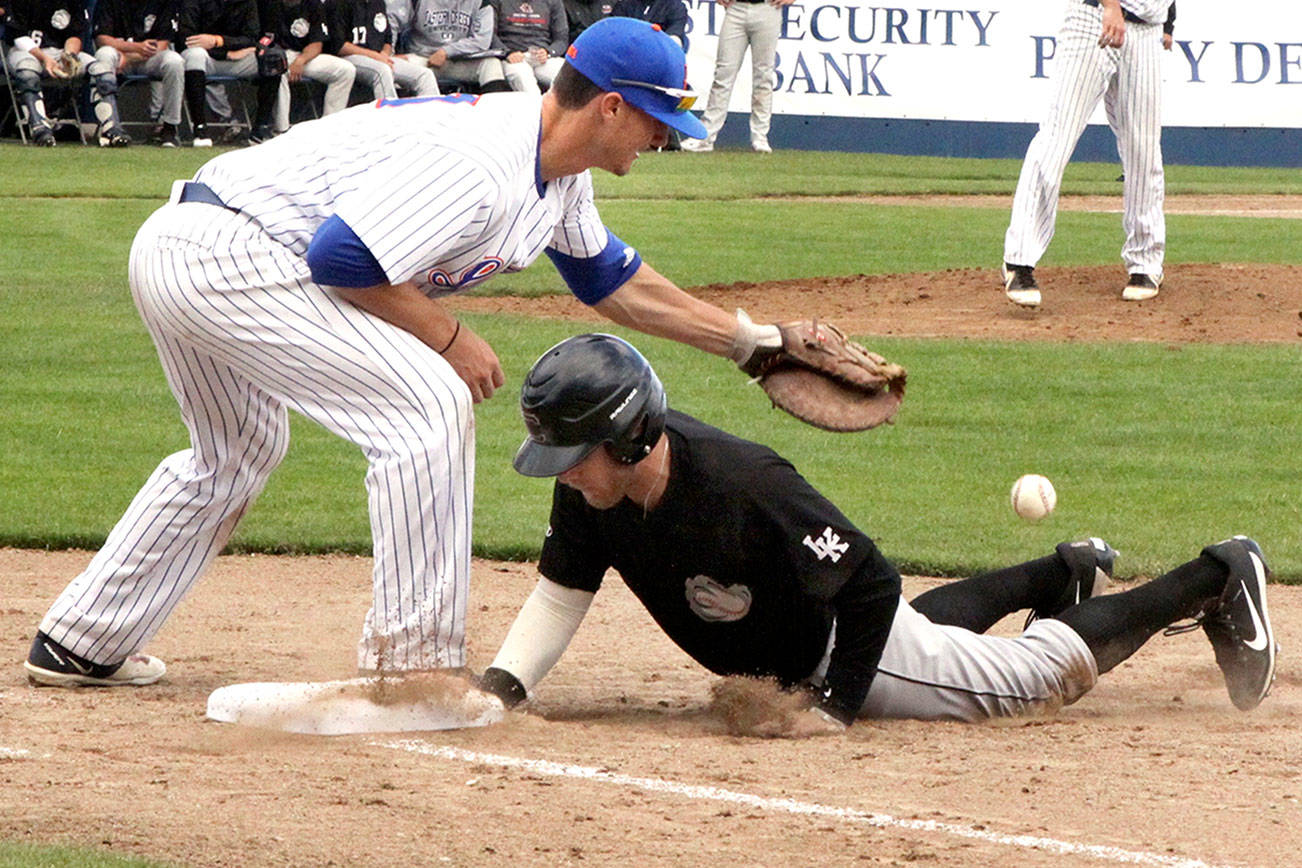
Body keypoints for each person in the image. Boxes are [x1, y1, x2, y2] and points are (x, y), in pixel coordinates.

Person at [20, 18, 795, 690]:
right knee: (427, 406)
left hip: (200, 247)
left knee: (234, 453)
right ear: (612, 105)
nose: (663, 136)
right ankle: (413, 668)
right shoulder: (484, 159)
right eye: (657, 117)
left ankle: (84, 640)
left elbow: (612, 282)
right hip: (232, 253)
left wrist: (748, 343)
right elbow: (342, 258)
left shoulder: (558, 174)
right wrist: (450, 338)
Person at [477, 333, 1279, 731]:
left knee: (1027, 682)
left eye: (573, 456)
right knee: (919, 635)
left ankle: (1217, 574)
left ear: (629, 438)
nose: (562, 474)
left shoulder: (743, 484)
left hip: (841, 640)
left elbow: (869, 582)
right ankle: (1058, 573)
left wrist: (834, 706)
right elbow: (560, 593)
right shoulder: (592, 494)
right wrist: (504, 688)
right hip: (825, 629)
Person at [1001, 0, 1175, 308]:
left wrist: (1169, 22)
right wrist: (1110, 6)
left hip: (1148, 28)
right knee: (1057, 136)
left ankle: (1145, 263)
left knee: (1144, 151)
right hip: (1095, 17)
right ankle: (1019, 261)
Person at [4, 0, 133, 146]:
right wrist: (45, 59)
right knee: (27, 73)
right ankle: (39, 128)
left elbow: (75, 35)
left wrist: (69, 57)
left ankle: (111, 129)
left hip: (59, 52)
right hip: (27, 52)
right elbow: (19, 36)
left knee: (102, 71)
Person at [680, 0, 793, 154]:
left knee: (763, 77)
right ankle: (705, 136)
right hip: (736, 8)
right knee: (723, 75)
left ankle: (760, 137)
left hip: (768, 8)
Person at [177, 0, 280, 146]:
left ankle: (259, 130)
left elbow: (251, 38)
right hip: (208, 58)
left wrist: (219, 41)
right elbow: (185, 39)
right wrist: (225, 53)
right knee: (194, 55)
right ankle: (200, 129)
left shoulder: (247, 2)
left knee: (272, 61)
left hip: (237, 57)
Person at [92, 0, 185, 147]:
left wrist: (130, 57)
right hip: (118, 57)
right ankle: (110, 127)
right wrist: (135, 47)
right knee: (104, 54)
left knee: (175, 61)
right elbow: (102, 39)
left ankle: (169, 128)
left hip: (146, 59)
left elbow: (162, 44)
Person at [263, 0, 356, 136]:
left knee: (346, 70)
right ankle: (281, 131)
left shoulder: (313, 4)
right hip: (279, 54)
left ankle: (329, 130)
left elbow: (317, 44)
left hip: (305, 55)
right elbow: (266, 42)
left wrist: (301, 60)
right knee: (277, 70)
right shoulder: (270, 5)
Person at [323, 0, 439, 100]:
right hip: (347, 58)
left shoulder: (378, 3)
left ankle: (433, 117)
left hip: (378, 57)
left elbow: (387, 40)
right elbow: (339, 46)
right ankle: (390, 117)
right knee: (383, 71)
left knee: (424, 75)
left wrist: (385, 54)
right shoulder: (338, 3)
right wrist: (376, 56)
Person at [386, 0, 510, 93]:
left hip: (459, 60)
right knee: (391, 66)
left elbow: (481, 41)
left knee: (491, 65)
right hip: (422, 59)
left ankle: (494, 113)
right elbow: (392, 22)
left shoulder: (482, 2)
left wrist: (446, 52)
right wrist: (389, 52)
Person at [492, 0, 566, 95]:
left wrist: (549, 52)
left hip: (543, 57)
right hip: (513, 58)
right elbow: (490, 35)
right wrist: (507, 53)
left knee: (570, 77)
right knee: (527, 85)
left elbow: (562, 39)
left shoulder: (553, 2)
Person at [609, 0, 685, 50]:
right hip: (626, 56)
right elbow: (613, 33)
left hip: (659, 58)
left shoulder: (675, 6)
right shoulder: (624, 4)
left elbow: (674, 38)